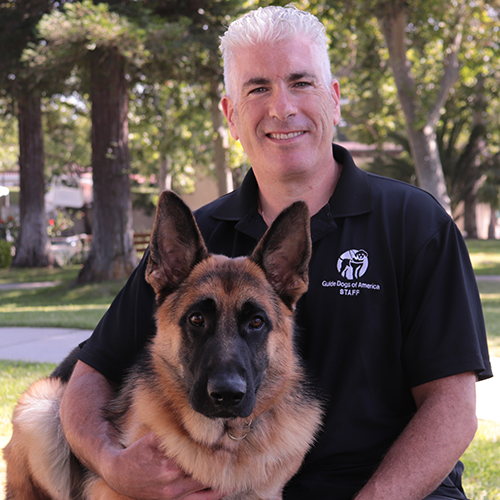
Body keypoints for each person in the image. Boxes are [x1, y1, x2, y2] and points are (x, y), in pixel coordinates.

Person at [60, 6, 492, 500]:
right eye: (258, 88)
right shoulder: (195, 238)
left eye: (301, 82)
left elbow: (453, 408)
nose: (281, 107)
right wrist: (114, 466)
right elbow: (88, 376)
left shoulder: (413, 222)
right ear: (231, 115)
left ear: (333, 98)